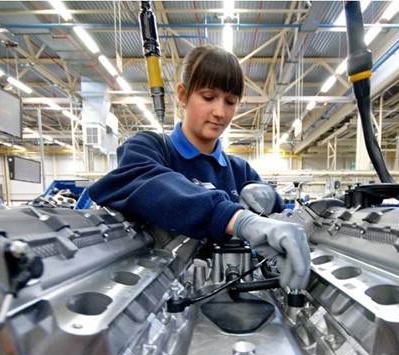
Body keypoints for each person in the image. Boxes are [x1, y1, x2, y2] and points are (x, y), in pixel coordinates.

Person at [88, 45, 310, 290]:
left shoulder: (240, 172)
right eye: (208, 97)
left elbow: (281, 227)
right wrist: (236, 218)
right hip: (164, 299)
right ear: (182, 95)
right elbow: (140, 182)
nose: (220, 112)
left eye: (230, 102)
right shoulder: (151, 149)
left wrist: (271, 202)